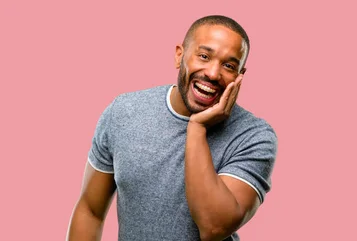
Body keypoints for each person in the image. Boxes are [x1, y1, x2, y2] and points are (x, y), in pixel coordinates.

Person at [67, 15, 278, 241]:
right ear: (180, 55)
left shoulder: (254, 136)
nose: (213, 73)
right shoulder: (124, 112)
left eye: (228, 66)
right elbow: (90, 210)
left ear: (239, 76)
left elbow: (214, 227)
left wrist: (196, 128)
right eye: (204, 56)